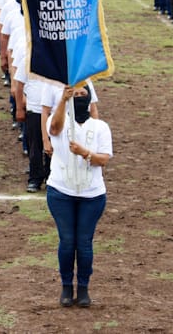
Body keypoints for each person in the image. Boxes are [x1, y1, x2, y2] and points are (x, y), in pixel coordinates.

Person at [47, 85, 113, 308]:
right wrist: (63, 101)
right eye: (74, 95)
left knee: (84, 243)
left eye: (82, 95)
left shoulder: (101, 127)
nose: (79, 98)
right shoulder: (60, 121)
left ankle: (83, 287)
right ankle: (67, 286)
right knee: (67, 241)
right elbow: (54, 129)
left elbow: (103, 159)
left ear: (90, 99)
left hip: (92, 195)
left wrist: (85, 153)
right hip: (60, 192)